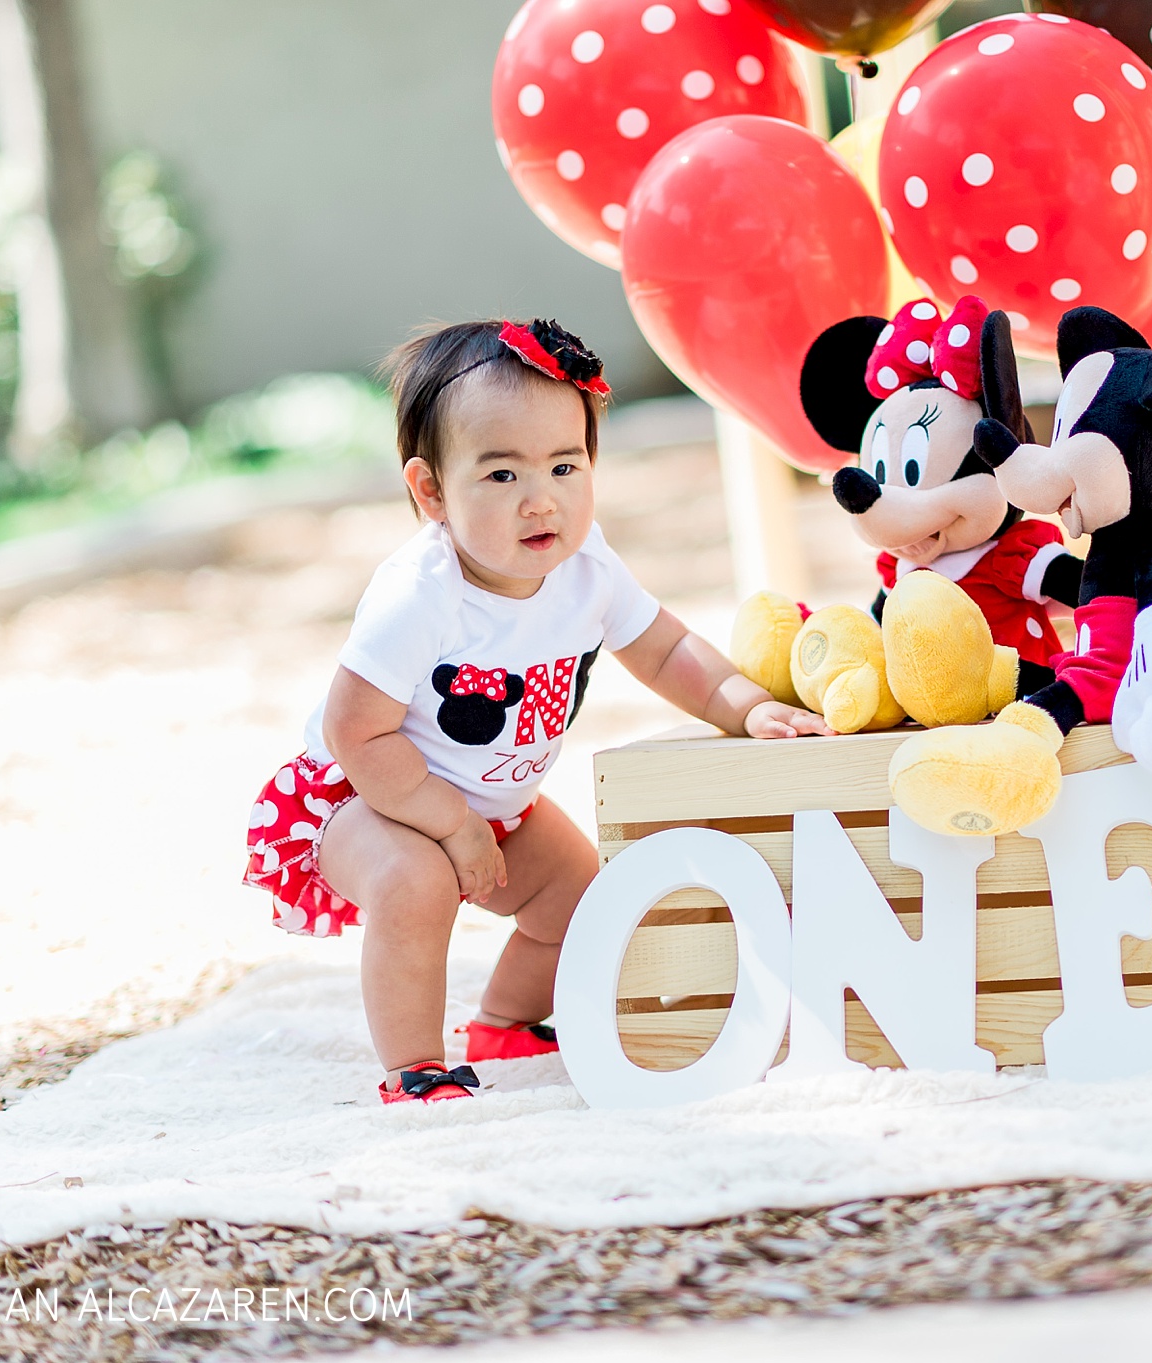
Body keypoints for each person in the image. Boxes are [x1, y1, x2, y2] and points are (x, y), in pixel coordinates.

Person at [242, 318, 830, 1104]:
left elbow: (664, 649)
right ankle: (415, 1065)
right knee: (416, 881)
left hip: (492, 803)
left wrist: (744, 704)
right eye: (501, 475)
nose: (539, 499)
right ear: (431, 491)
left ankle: (507, 1020)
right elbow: (358, 729)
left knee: (580, 892)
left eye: (564, 464)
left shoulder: (587, 568)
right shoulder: (421, 593)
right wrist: (449, 824)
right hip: (362, 792)